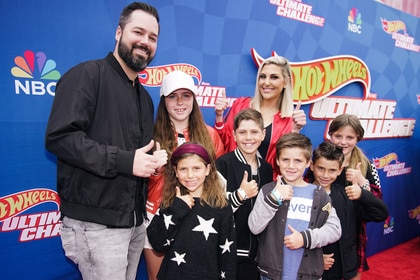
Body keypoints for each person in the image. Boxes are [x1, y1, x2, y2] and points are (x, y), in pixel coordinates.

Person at [45, 3, 167, 280]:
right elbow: (60, 138)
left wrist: (151, 164)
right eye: (139, 32)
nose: (145, 42)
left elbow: (135, 156)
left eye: (153, 37)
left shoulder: (145, 97)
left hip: (134, 223)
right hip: (96, 225)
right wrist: (126, 161)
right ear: (118, 32)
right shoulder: (87, 75)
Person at [144, 70, 224, 280]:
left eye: (186, 95)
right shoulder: (150, 136)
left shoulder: (211, 135)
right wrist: (154, 170)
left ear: (194, 100)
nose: (180, 102)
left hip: (200, 218)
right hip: (159, 216)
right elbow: (137, 184)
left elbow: (217, 181)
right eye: (173, 96)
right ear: (164, 101)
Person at [248, 133, 342, 280]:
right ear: (277, 161)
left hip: (308, 273)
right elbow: (254, 226)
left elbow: (335, 229)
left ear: (308, 163)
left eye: (298, 161)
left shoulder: (320, 195)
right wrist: (275, 198)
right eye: (285, 160)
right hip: (271, 274)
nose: (291, 166)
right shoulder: (268, 191)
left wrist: (306, 239)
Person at [147, 142, 237, 280]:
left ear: (207, 169)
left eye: (196, 168)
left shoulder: (221, 207)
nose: (190, 175)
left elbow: (227, 256)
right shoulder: (171, 202)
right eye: (183, 169)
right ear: (176, 172)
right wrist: (177, 209)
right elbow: (157, 242)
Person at [214, 55, 307, 179]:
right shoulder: (241, 105)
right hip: (232, 180)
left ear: (286, 82)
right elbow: (225, 142)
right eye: (262, 77)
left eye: (274, 77)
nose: (266, 82)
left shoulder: (289, 119)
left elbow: (284, 162)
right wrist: (219, 117)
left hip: (267, 187)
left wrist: (295, 131)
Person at [309, 142, 388, 280]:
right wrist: (314, 258)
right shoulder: (302, 195)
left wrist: (363, 194)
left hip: (345, 266)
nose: (325, 175)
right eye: (321, 168)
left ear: (340, 170)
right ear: (311, 166)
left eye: (332, 170)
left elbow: (380, 214)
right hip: (314, 268)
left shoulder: (348, 195)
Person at [215, 108, 273, 280]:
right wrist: (240, 195)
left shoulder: (267, 169)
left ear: (263, 134)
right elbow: (214, 208)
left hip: (256, 255)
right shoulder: (224, 164)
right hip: (227, 249)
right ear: (234, 134)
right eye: (243, 132)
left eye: (254, 132)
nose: (248, 138)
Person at [327, 113, 383, 278]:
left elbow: (379, 205)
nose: (343, 142)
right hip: (323, 232)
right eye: (338, 136)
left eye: (349, 137)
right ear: (330, 135)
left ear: (358, 138)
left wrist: (362, 183)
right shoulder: (321, 159)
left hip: (353, 234)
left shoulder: (366, 165)